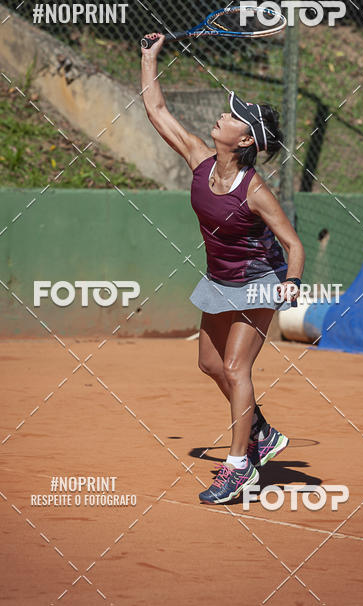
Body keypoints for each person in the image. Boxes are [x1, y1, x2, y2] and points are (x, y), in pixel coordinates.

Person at [141, 33, 305, 505]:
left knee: (236, 367)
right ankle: (259, 430)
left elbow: (292, 244)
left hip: (259, 280)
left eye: (234, 116)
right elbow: (157, 112)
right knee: (209, 363)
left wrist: (291, 283)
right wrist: (150, 58)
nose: (222, 116)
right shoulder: (199, 159)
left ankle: (239, 470)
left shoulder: (254, 190)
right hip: (219, 278)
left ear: (246, 139)